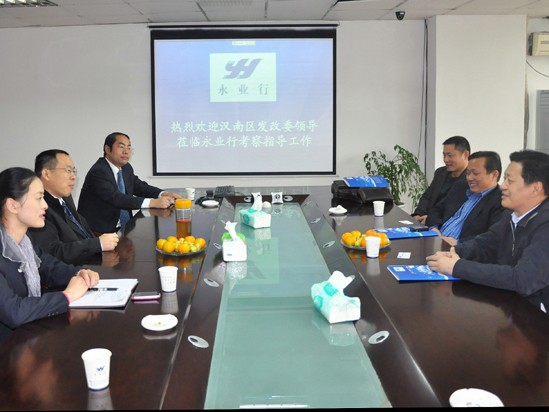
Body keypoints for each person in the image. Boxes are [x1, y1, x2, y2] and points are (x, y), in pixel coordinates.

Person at [426, 150, 549, 311]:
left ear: (535, 188)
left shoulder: (545, 225)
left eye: (510, 181)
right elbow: (486, 243)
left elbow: (523, 279)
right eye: (504, 179)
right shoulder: (512, 214)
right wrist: (454, 252)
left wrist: (456, 267)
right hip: (510, 305)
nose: (503, 186)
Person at [0, 167, 100, 342]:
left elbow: (50, 267)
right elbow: (14, 312)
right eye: (39, 198)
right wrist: (67, 296)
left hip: (28, 335)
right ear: (13, 205)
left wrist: (80, 273)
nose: (45, 205)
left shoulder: (25, 241)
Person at [28, 149, 119, 265]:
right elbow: (53, 252)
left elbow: (81, 231)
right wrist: (98, 244)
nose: (73, 176)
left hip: (92, 260)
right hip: (73, 270)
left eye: (73, 171)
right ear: (46, 174)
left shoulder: (65, 198)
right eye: (68, 170)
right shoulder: (38, 208)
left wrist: (101, 242)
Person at [78, 132, 181, 234]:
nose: (126, 151)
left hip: (122, 228)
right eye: (121, 147)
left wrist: (164, 194)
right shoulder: (99, 171)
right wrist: (153, 203)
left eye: (129, 147)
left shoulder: (126, 168)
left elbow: (140, 187)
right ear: (107, 149)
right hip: (97, 233)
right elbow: (116, 198)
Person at [426, 151, 505, 246]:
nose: (469, 178)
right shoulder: (460, 187)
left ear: (494, 174)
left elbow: (491, 237)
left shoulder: (501, 201)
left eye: (475, 173)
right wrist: (434, 228)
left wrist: (458, 243)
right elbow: (437, 209)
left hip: (459, 250)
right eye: (468, 173)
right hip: (435, 241)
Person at [412, 135, 470, 225]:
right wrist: (418, 214)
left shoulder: (470, 181)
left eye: (450, 155)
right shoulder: (440, 172)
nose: (446, 159)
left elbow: (457, 211)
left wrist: (431, 219)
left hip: (444, 226)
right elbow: (427, 196)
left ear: (465, 155)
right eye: (444, 155)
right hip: (425, 222)